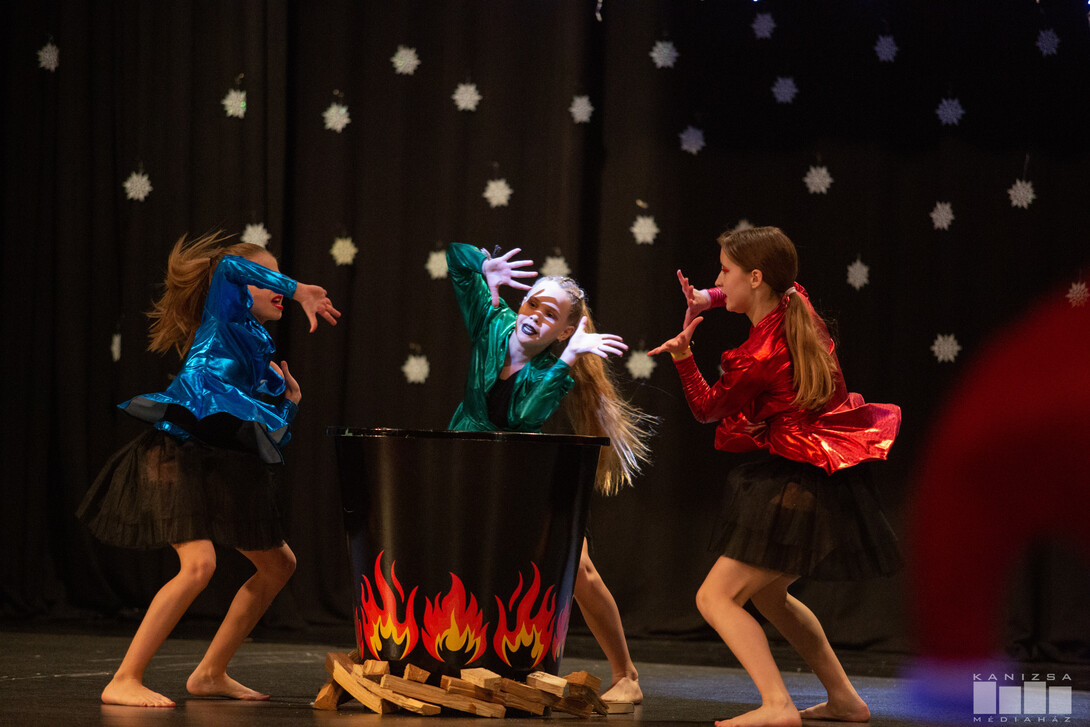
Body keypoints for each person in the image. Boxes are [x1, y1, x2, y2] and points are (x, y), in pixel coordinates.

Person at [649, 226, 902, 727]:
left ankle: (777, 705)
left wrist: (682, 357)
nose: (718, 279)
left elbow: (707, 409)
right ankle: (845, 700)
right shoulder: (794, 301)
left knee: (715, 597)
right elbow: (759, 288)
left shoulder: (757, 356)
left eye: (724, 271)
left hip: (796, 477)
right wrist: (708, 299)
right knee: (769, 595)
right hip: (820, 475)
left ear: (756, 277)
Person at [77, 231, 340, 708]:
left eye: (280, 279)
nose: (277, 287)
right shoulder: (222, 317)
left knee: (279, 564)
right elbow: (228, 267)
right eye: (268, 278)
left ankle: (210, 673)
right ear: (241, 285)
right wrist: (300, 288)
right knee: (199, 565)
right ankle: (123, 678)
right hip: (177, 452)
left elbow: (267, 434)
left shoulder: (258, 347)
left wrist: (291, 402)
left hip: (220, 461)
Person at [446, 242, 652, 703]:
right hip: (470, 461)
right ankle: (466, 660)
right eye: (532, 303)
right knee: (467, 562)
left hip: (524, 471)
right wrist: (482, 264)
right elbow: (455, 261)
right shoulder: (491, 320)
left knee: (580, 573)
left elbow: (523, 415)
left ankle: (627, 676)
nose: (535, 315)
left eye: (550, 314)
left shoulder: (551, 368)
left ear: (564, 332)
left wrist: (566, 361)